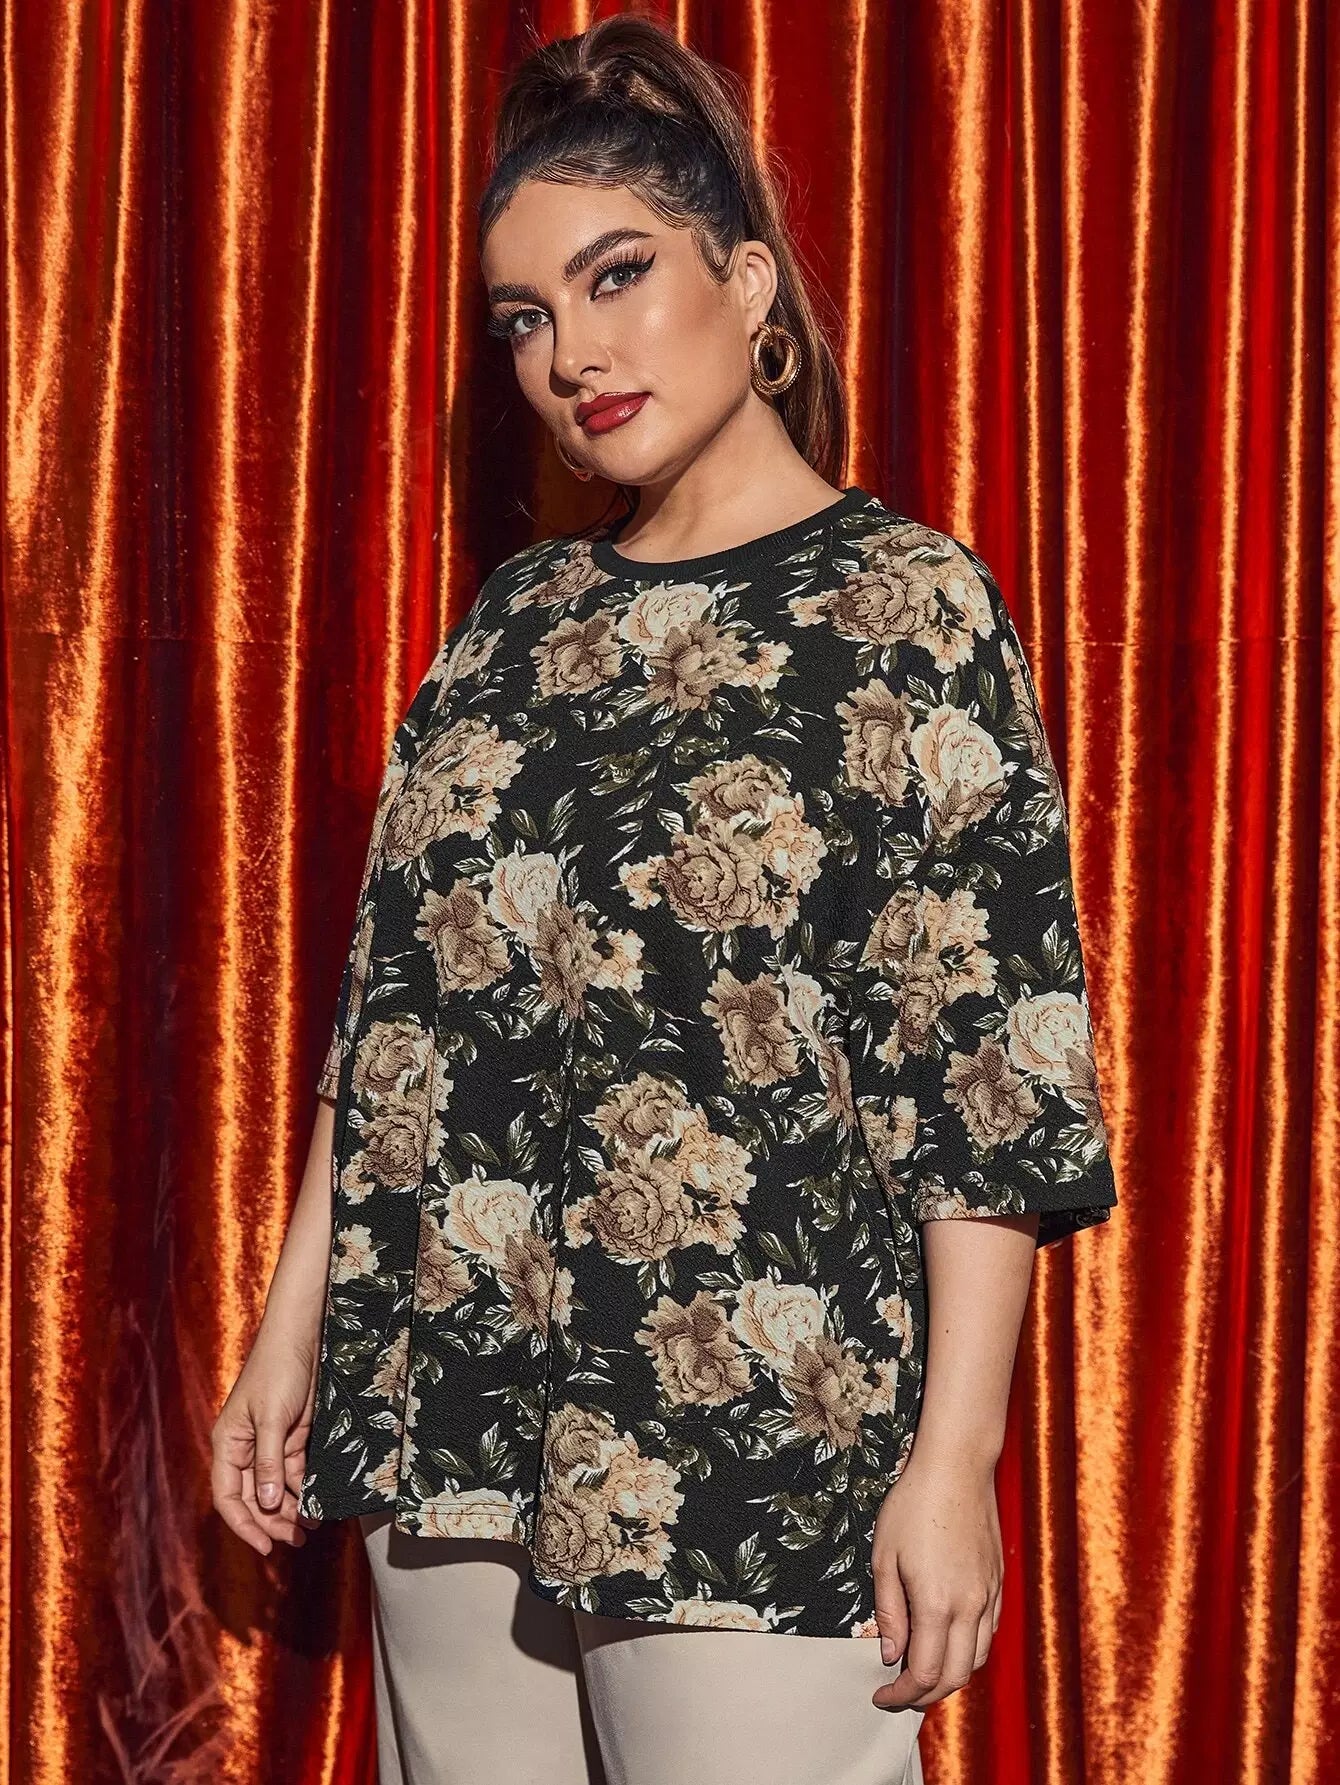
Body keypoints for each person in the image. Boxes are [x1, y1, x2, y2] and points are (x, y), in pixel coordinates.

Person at [211, 16, 1118, 1785]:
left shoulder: (907, 606)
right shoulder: (511, 624)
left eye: (616, 275)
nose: (571, 353)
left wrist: (955, 1458)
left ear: (749, 282)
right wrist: (289, 1321)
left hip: (754, 1433)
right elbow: (393, 1014)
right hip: (456, 1390)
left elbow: (987, 1071)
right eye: (525, 317)